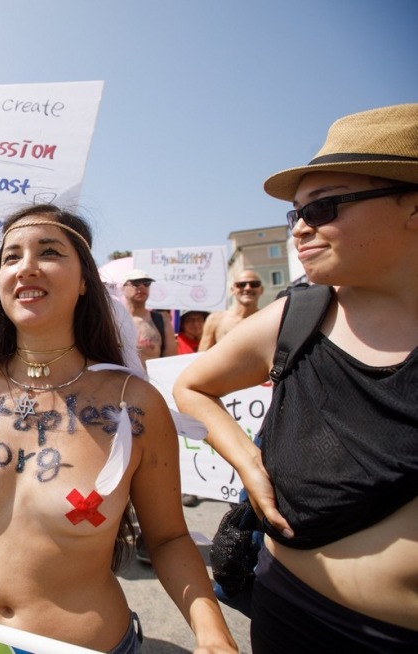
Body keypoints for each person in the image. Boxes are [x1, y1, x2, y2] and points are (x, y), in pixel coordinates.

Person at [0, 204, 237, 653]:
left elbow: (168, 538)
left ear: (85, 279)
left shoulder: (135, 406)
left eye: (49, 252)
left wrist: (212, 633)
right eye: (11, 257)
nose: (26, 267)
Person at [175, 104, 418, 652]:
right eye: (296, 214)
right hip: (284, 611)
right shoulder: (297, 316)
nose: (302, 228)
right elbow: (192, 385)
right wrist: (248, 460)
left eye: (325, 206)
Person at [197, 270, 264, 351]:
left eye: (254, 284)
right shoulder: (215, 320)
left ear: (261, 290)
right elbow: (203, 355)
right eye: (241, 285)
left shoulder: (269, 321)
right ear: (232, 290)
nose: (248, 288)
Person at [120, 269, 176, 364]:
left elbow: (171, 360)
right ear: (123, 288)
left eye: (146, 283)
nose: (142, 287)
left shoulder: (161, 321)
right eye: (136, 283)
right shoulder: (114, 320)